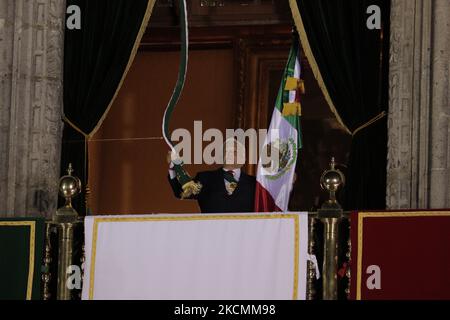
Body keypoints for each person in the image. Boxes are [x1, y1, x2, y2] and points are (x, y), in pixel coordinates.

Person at [167, 139, 256, 213]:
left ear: (244, 158)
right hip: (211, 232)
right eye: (226, 151)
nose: (230, 154)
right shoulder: (205, 178)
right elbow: (181, 191)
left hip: (244, 233)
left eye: (235, 151)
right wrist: (174, 167)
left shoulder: (255, 184)